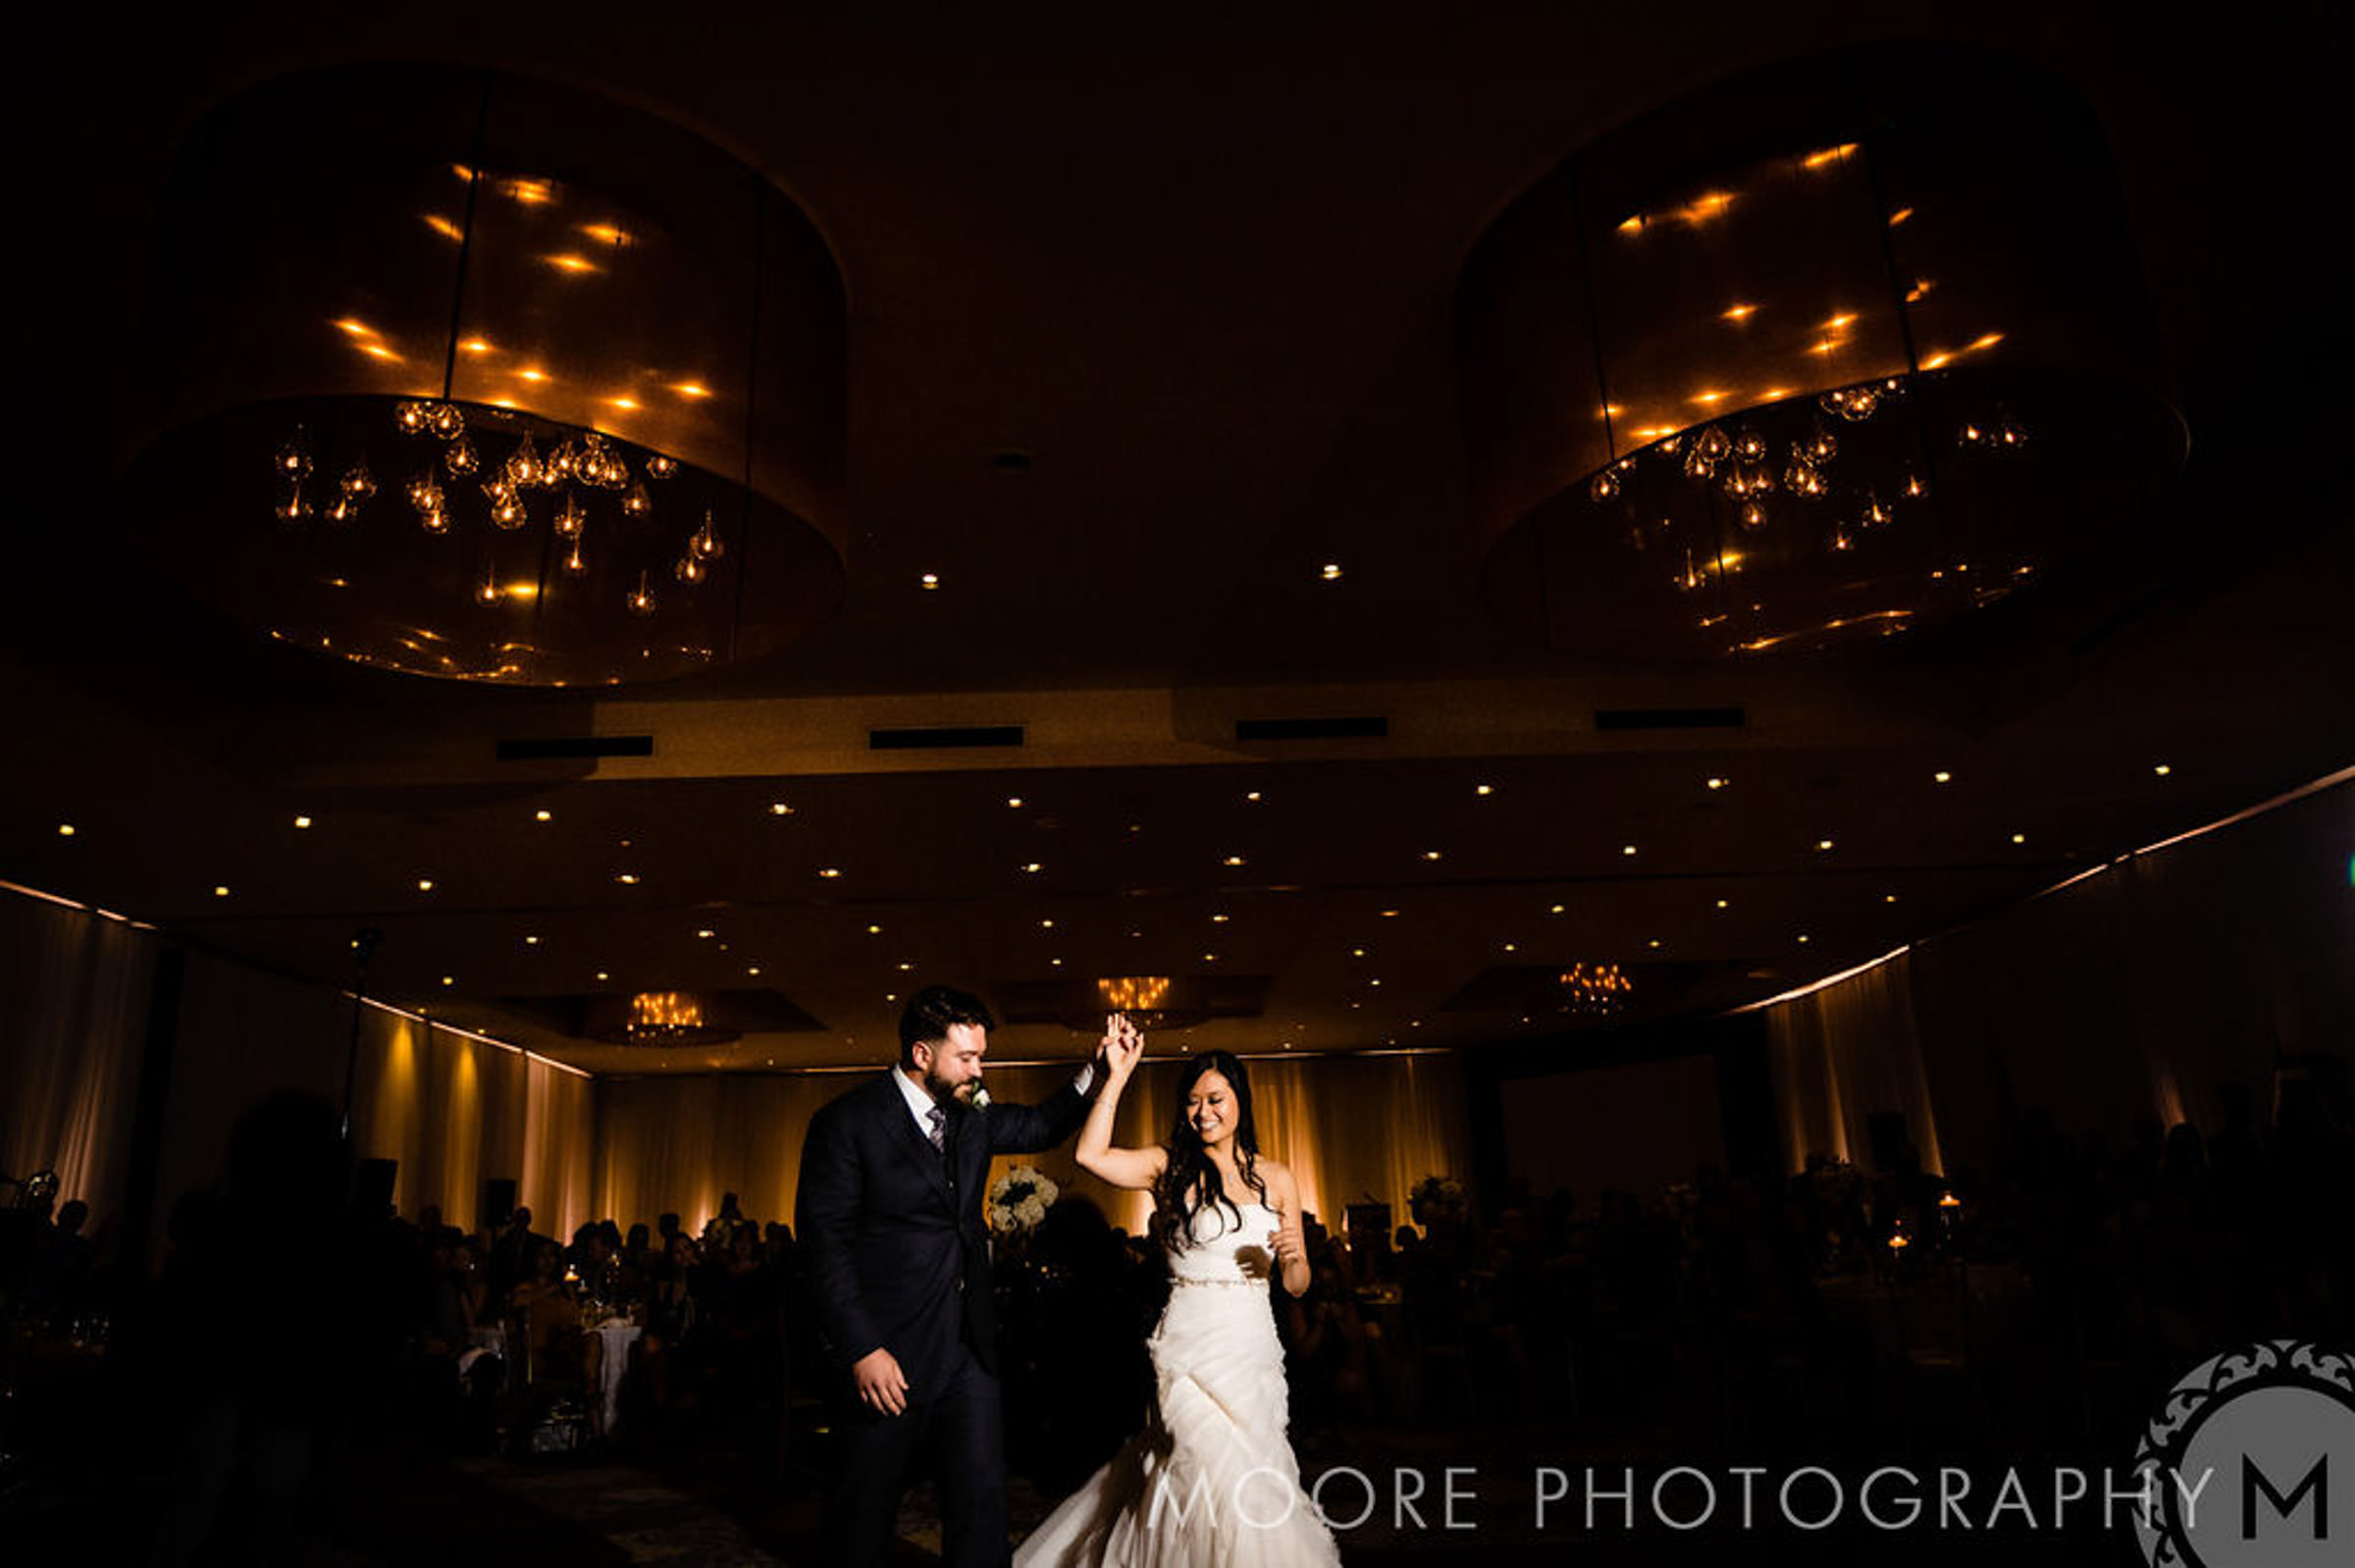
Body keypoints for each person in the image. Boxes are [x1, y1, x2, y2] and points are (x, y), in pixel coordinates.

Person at [797, 984, 1108, 1568]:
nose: (978, 1070)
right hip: (887, 1355)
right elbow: (823, 1248)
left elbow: (1040, 1125)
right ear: (921, 1054)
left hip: (969, 1351)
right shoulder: (846, 1123)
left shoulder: (973, 1114)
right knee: (863, 1516)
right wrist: (862, 1347)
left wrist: (1096, 1070)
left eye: (980, 1057)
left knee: (981, 1506)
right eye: (967, 1058)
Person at [1015, 1040, 1341, 1566]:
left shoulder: (1277, 1177)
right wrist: (1117, 1076)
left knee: (1249, 1479)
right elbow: (1088, 1155)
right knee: (1196, 1463)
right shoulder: (1168, 1168)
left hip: (1251, 1347)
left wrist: (1290, 1258)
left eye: (1215, 1098)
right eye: (1193, 1101)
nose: (1204, 1111)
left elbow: (1298, 1283)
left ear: (1240, 1101)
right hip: (1189, 1344)